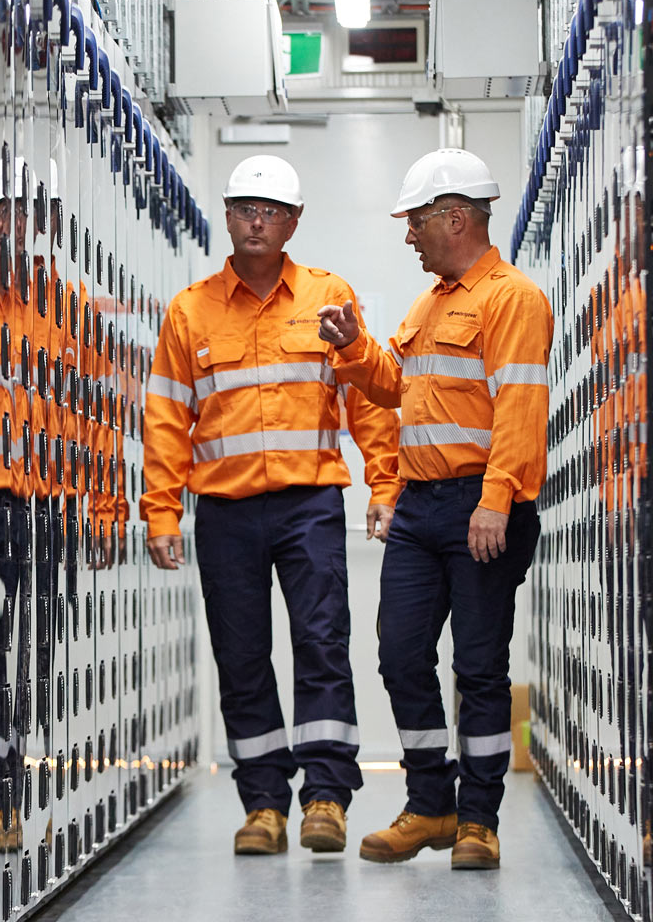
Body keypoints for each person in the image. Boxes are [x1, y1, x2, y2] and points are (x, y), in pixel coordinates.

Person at [140, 154, 400, 855]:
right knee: (242, 653)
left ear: (293, 222)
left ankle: (325, 795)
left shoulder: (327, 296)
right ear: (227, 216)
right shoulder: (190, 310)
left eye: (270, 210)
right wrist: (160, 510)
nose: (256, 220)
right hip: (224, 512)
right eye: (245, 208)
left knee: (321, 643)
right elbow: (166, 416)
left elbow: (365, 401)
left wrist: (385, 482)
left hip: (308, 503)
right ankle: (262, 803)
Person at [317, 148, 553, 870]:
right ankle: (431, 804)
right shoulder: (432, 303)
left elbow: (520, 405)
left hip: (484, 504)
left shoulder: (513, 298)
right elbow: (395, 387)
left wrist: (495, 499)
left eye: (416, 222)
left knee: (479, 667)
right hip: (421, 508)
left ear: (455, 217)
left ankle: (479, 818)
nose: (409, 236)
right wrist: (355, 348)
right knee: (401, 656)